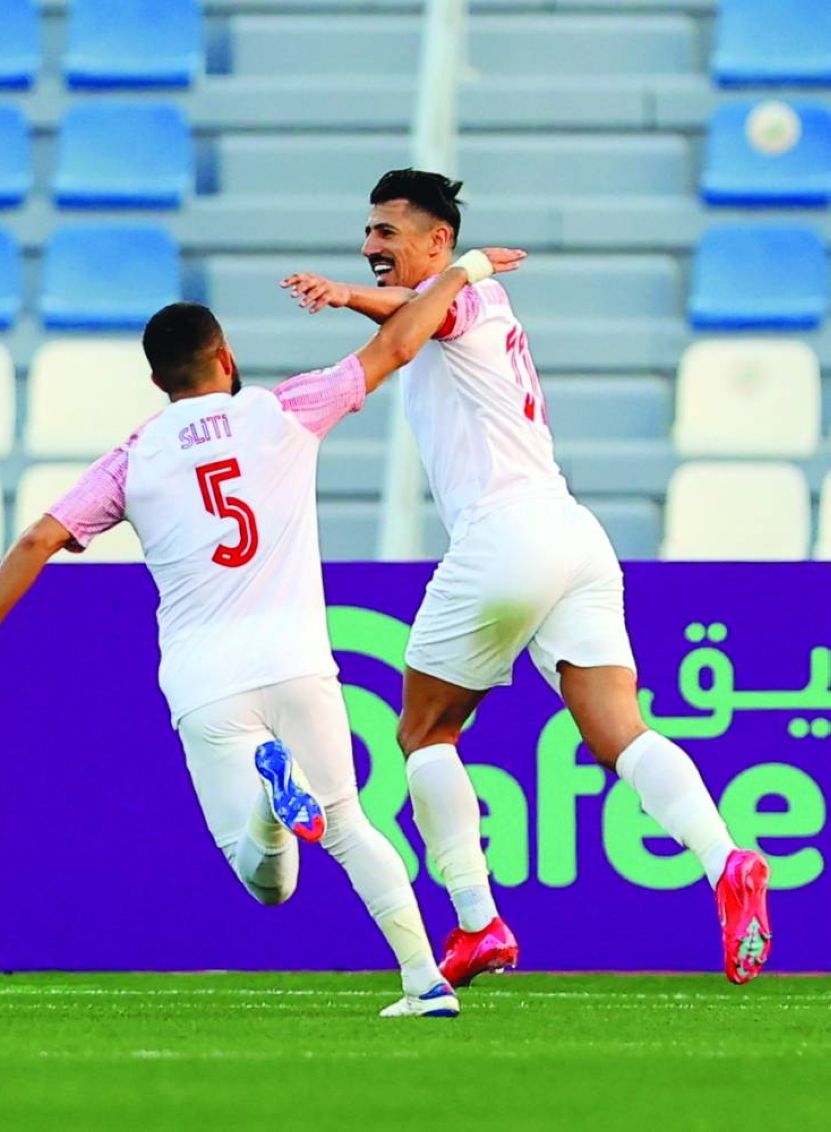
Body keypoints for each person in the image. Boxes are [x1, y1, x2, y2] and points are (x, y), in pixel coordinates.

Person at [0, 247, 526, 1017]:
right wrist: (466, 270)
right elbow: (397, 345)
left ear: (158, 383)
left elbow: (37, 541)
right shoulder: (285, 409)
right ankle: (425, 982)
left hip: (206, 681)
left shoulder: (131, 459)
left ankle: (270, 807)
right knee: (349, 824)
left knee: (266, 884)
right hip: (297, 662)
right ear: (226, 355)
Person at [281, 167, 772, 987]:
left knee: (424, 734)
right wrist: (359, 294)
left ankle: (477, 922)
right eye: (366, 232)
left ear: (438, 241)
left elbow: (420, 324)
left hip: (505, 534)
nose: (370, 246)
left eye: (387, 233)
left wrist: (411, 282)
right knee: (621, 732)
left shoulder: (470, 295)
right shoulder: (456, 301)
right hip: (573, 535)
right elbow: (415, 317)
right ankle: (725, 862)